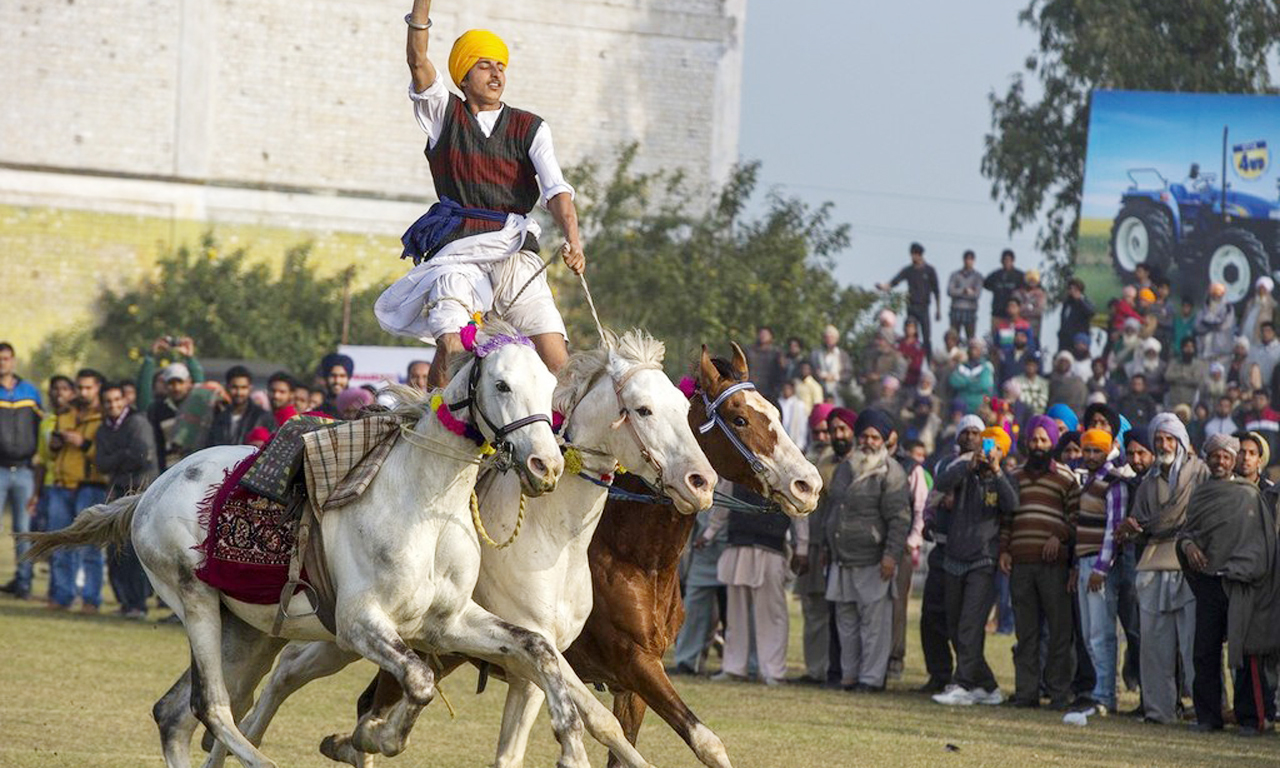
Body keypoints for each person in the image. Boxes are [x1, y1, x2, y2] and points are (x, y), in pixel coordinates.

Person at [377, 4, 584, 389]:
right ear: (464, 75)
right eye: (485, 65)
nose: (496, 73)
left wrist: (573, 238)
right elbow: (417, 59)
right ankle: (440, 429)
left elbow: (555, 189)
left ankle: (567, 442)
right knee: (454, 344)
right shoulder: (444, 114)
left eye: (501, 66)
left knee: (559, 364)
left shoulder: (531, 127)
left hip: (515, 248)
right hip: (459, 250)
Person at [1177, 434, 1280, 734]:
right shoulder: (1200, 495)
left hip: (1240, 584)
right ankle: (1208, 716)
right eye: (1215, 456)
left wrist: (1241, 568)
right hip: (1209, 584)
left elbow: (1263, 545)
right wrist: (1188, 547)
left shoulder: (1250, 496)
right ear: (1207, 459)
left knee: (1248, 653)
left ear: (1233, 460)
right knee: (1204, 652)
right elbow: (1187, 532)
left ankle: (1251, 718)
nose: (1220, 461)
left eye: (1226, 456)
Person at [1120, 413, 1207, 724]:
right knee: (1155, 646)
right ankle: (1159, 710)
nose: (1164, 444)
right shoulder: (1148, 481)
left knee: (1194, 644)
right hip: (1154, 562)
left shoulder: (1201, 473)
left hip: (1190, 566)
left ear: (1181, 441)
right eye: (1159, 440)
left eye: (1169, 439)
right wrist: (1131, 527)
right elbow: (1141, 524)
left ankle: (1204, 709)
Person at [821, 409, 910, 692]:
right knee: (846, 622)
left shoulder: (891, 472)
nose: (869, 441)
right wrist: (827, 545)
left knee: (874, 626)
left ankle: (870, 680)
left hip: (874, 560)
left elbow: (899, 519)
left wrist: (890, 556)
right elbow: (833, 508)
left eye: (875, 437)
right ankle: (849, 677)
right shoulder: (846, 466)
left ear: (883, 440)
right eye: (865, 436)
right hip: (841, 558)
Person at [931, 425, 1018, 706]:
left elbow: (1012, 505)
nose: (988, 453)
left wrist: (996, 471)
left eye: (995, 449)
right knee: (956, 626)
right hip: (954, 557)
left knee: (970, 625)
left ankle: (964, 684)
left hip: (983, 561)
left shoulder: (1004, 478)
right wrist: (968, 464)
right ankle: (988, 686)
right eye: (985, 447)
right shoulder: (964, 472)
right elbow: (941, 483)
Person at [1001, 415, 1080, 709]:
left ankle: (1059, 694)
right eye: (1033, 440)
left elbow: (1076, 521)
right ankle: (1026, 693)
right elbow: (1006, 519)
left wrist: (1058, 536)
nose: (1038, 445)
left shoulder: (1065, 477)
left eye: (1043, 440)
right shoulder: (1015, 476)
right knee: (1026, 633)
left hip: (1053, 567)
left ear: (1052, 443)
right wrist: (1005, 550)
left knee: (1060, 632)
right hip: (1020, 564)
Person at [702, 488, 794, 685]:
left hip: (770, 549)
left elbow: (798, 507)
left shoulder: (787, 463)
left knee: (772, 614)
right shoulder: (739, 465)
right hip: (737, 545)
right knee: (735, 614)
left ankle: (773, 672)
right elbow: (725, 501)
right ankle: (734, 668)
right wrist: (709, 533)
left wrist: (803, 547)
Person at [790, 408, 849, 684]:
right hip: (811, 546)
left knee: (838, 612)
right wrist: (801, 548)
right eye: (819, 433)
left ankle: (835, 669)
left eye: (828, 431)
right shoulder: (806, 460)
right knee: (813, 610)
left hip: (835, 547)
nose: (824, 437)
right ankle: (816, 670)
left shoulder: (843, 462)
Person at [1074, 428, 1130, 715]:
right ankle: (1099, 692)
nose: (1092, 455)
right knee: (1087, 635)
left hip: (1099, 564)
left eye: (1097, 450)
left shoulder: (1113, 481)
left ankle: (1105, 695)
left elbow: (1113, 529)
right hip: (1083, 562)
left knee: (1101, 634)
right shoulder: (1088, 480)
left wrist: (1101, 568)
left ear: (1107, 451)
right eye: (1087, 450)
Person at [94, 381, 157, 619]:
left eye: (116, 400)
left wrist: (116, 458)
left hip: (141, 492)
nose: (113, 405)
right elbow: (101, 463)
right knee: (114, 549)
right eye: (108, 401)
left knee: (132, 550)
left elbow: (142, 457)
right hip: (117, 492)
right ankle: (125, 601)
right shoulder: (102, 430)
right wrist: (123, 456)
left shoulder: (138, 423)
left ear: (124, 400)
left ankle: (138, 604)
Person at [47, 369, 108, 612]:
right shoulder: (65, 413)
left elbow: (104, 455)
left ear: (98, 388)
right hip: (61, 485)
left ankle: (91, 599)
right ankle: (63, 596)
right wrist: (55, 445)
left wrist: (81, 443)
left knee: (90, 547)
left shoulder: (104, 417)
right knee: (60, 544)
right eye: (80, 387)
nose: (83, 392)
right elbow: (52, 452)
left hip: (89, 486)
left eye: (88, 388)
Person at [0, 343, 42, 600]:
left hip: (25, 471)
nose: (2, 363)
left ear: (13, 361)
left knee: (22, 529)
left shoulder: (30, 392)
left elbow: (44, 425)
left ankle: (24, 582)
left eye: (5, 358)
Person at [887, 427, 929, 682]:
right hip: (872, 547)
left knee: (897, 606)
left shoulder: (911, 467)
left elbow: (921, 507)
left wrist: (912, 541)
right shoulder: (867, 460)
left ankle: (895, 660)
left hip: (900, 547)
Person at [672, 493, 729, 676]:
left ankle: (737, 665)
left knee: (734, 613)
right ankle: (686, 661)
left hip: (733, 546)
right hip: (702, 551)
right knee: (694, 608)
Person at [878, 242, 941, 355]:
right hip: (911, 306)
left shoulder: (929, 270)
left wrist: (938, 309)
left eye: (915, 254)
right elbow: (896, 280)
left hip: (924, 307)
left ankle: (928, 361)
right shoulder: (909, 270)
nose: (913, 257)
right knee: (910, 335)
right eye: (912, 254)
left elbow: (936, 290)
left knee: (926, 337)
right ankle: (909, 357)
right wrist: (885, 286)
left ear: (920, 255)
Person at [208, 366, 274, 447]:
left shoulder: (262, 417)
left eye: (243, 388)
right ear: (227, 387)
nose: (239, 392)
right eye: (234, 387)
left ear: (250, 388)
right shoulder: (219, 417)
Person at [135, 336, 204, 411]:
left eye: (180, 382)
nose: (176, 388)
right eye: (171, 383)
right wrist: (150, 356)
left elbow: (200, 388)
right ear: (165, 385)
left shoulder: (196, 406)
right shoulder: (158, 410)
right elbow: (143, 398)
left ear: (189, 383)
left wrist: (190, 358)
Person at [948, 338, 994, 414]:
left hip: (979, 408)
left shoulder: (986, 367)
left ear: (981, 351)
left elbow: (984, 385)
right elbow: (954, 382)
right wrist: (974, 380)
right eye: (971, 348)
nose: (973, 351)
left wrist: (965, 382)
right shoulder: (961, 366)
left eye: (976, 348)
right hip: (961, 409)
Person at [812, 325, 854, 406]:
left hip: (838, 393)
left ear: (836, 339)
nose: (829, 340)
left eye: (831, 337)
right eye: (826, 337)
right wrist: (821, 375)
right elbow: (813, 371)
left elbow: (848, 373)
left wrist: (835, 377)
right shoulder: (816, 355)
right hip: (821, 392)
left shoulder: (842, 355)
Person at [983, 249, 1025, 329]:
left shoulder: (1019, 275)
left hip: (1013, 315)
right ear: (1001, 261)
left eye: (1009, 260)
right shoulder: (995, 275)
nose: (1006, 262)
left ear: (1013, 261)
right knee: (996, 337)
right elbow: (985, 284)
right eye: (1004, 260)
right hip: (997, 313)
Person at [947, 250, 982, 341]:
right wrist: (964, 291)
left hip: (970, 310)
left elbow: (976, 294)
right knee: (954, 338)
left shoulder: (977, 276)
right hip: (956, 309)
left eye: (971, 259)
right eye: (967, 259)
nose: (968, 261)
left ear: (974, 261)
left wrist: (959, 292)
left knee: (970, 338)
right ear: (963, 260)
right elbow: (950, 291)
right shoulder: (955, 275)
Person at [1196, 283, 1236, 362]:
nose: (1216, 295)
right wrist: (1212, 325)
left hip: (1221, 354)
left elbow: (1225, 326)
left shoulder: (1228, 309)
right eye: (1214, 292)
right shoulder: (1204, 308)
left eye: (1218, 293)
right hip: (1204, 353)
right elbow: (1197, 327)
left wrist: (1209, 324)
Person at [1163, 337, 1206, 409]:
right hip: (1174, 401)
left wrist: (1179, 378)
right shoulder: (1174, 362)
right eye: (1186, 346)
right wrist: (1184, 376)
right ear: (1182, 348)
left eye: (1191, 347)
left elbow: (1197, 380)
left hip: (1190, 402)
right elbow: (1167, 376)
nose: (1189, 349)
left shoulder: (1198, 364)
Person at [744, 326, 784, 404]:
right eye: (761, 333)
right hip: (751, 389)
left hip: (769, 392)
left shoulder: (776, 353)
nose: (763, 336)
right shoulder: (749, 351)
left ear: (771, 337)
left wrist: (776, 390)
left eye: (765, 334)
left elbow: (781, 374)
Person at [1057, 279, 1096, 356]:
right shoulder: (1067, 303)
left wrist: (1079, 300)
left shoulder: (1085, 301)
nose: (1072, 291)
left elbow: (1090, 313)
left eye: (1075, 289)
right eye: (1070, 289)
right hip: (1065, 340)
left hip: (1079, 340)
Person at [1048, 351, 1088, 415]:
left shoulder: (1078, 382)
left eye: (1066, 361)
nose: (1063, 364)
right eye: (1061, 361)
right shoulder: (1049, 378)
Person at [1241, 276, 1276, 346]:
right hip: (1244, 336)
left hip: (1258, 340)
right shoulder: (1251, 302)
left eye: (1264, 288)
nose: (1261, 290)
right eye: (1260, 288)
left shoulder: (1272, 305)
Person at [776, 380, 810, 451]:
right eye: (785, 388)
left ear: (793, 390)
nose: (786, 391)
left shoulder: (799, 405)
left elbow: (802, 425)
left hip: (795, 440)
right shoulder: (778, 403)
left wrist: (801, 443)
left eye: (788, 389)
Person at [1017, 269, 1048, 343]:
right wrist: (1030, 307)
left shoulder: (1041, 294)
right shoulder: (1018, 292)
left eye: (1034, 280)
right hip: (1019, 327)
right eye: (1030, 280)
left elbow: (1039, 311)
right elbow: (1016, 309)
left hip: (1034, 328)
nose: (1032, 282)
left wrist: (1024, 308)